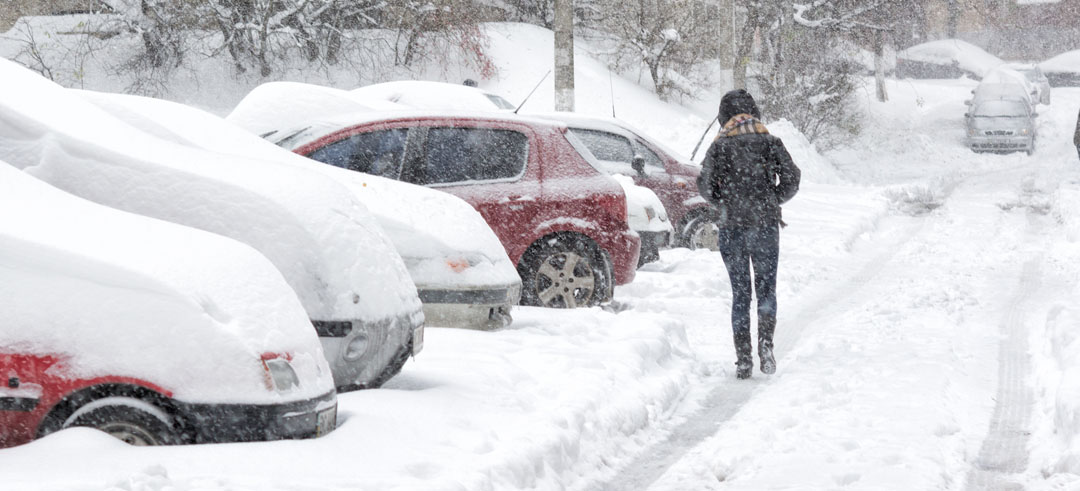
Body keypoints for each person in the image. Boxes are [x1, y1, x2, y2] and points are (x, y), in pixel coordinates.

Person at [697, 89, 801, 379]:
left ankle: (743, 359)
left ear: (724, 116)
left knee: (740, 294)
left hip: (732, 229)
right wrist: (772, 199)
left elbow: (704, 186)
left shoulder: (719, 146)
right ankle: (766, 345)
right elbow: (793, 178)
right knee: (766, 288)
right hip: (766, 225)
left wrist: (724, 201)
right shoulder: (770, 141)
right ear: (753, 111)